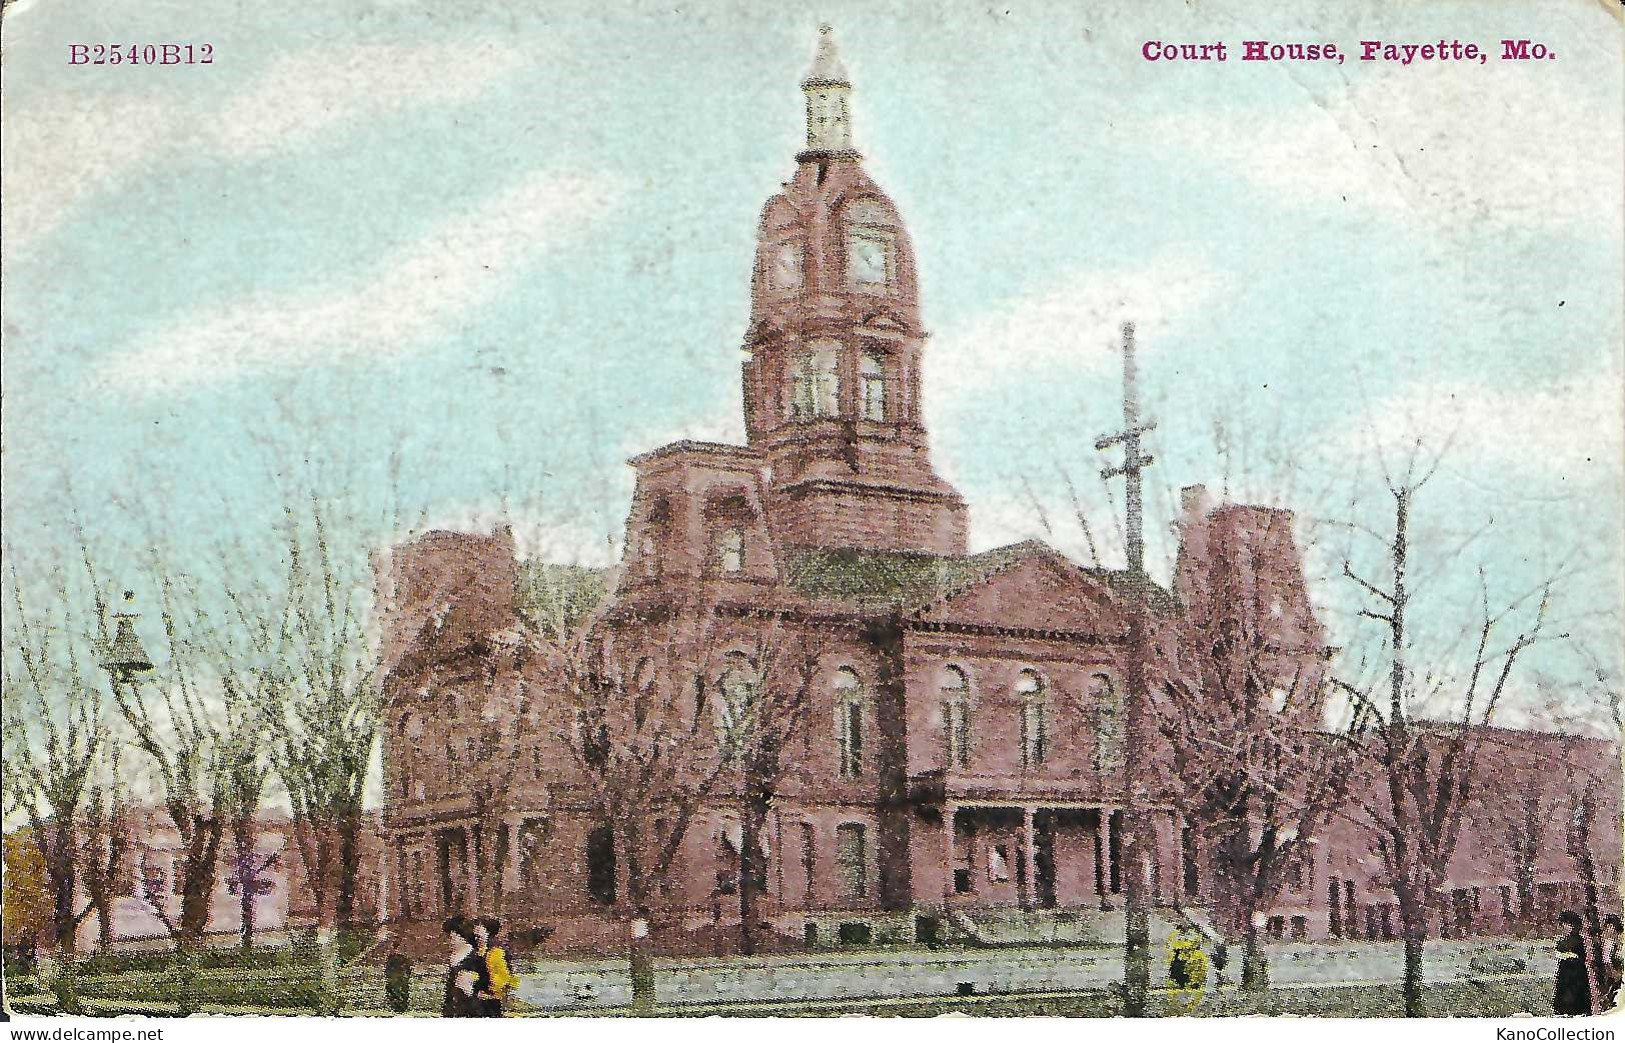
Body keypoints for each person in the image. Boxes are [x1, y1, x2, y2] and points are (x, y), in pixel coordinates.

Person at [442, 915, 491, 1018]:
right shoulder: (455, 956)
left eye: (452, 937)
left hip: (470, 1007)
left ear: (462, 936)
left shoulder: (473, 958)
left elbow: (478, 985)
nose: (449, 941)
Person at [1554, 910, 1593, 1016]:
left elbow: (1582, 958)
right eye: (1563, 925)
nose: (1565, 927)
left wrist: (1571, 957)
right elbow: (1559, 953)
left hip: (1576, 974)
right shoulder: (1562, 941)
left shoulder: (1580, 941)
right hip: (1565, 973)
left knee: (1576, 999)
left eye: (1568, 924)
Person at [479, 917, 519, 1016]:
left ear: (487, 932)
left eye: (480, 928)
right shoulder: (481, 949)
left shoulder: (495, 950)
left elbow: (503, 976)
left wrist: (491, 992)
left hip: (490, 998)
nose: (476, 930)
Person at [1603, 915, 1623, 1011]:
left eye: (1613, 929)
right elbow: (1606, 961)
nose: (1610, 931)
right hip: (1608, 972)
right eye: (1608, 927)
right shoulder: (1607, 942)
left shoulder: (1613, 942)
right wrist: (1613, 972)